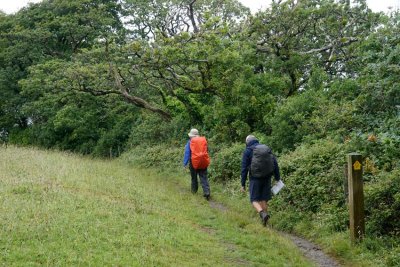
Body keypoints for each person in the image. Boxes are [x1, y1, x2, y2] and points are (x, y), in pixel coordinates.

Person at [241, 135, 281, 226]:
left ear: (247, 142)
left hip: (255, 178)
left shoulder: (248, 151)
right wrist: (277, 178)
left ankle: (262, 213)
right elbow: (275, 163)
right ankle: (265, 222)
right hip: (267, 177)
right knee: (264, 199)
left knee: (253, 199)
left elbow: (244, 169)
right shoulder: (266, 149)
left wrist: (242, 184)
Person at [183, 128, 211, 200]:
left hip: (193, 162)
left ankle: (194, 191)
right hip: (203, 161)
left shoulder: (190, 142)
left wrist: (185, 163)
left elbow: (187, 153)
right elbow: (206, 151)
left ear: (191, 135)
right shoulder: (203, 140)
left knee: (194, 177)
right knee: (203, 177)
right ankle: (207, 192)